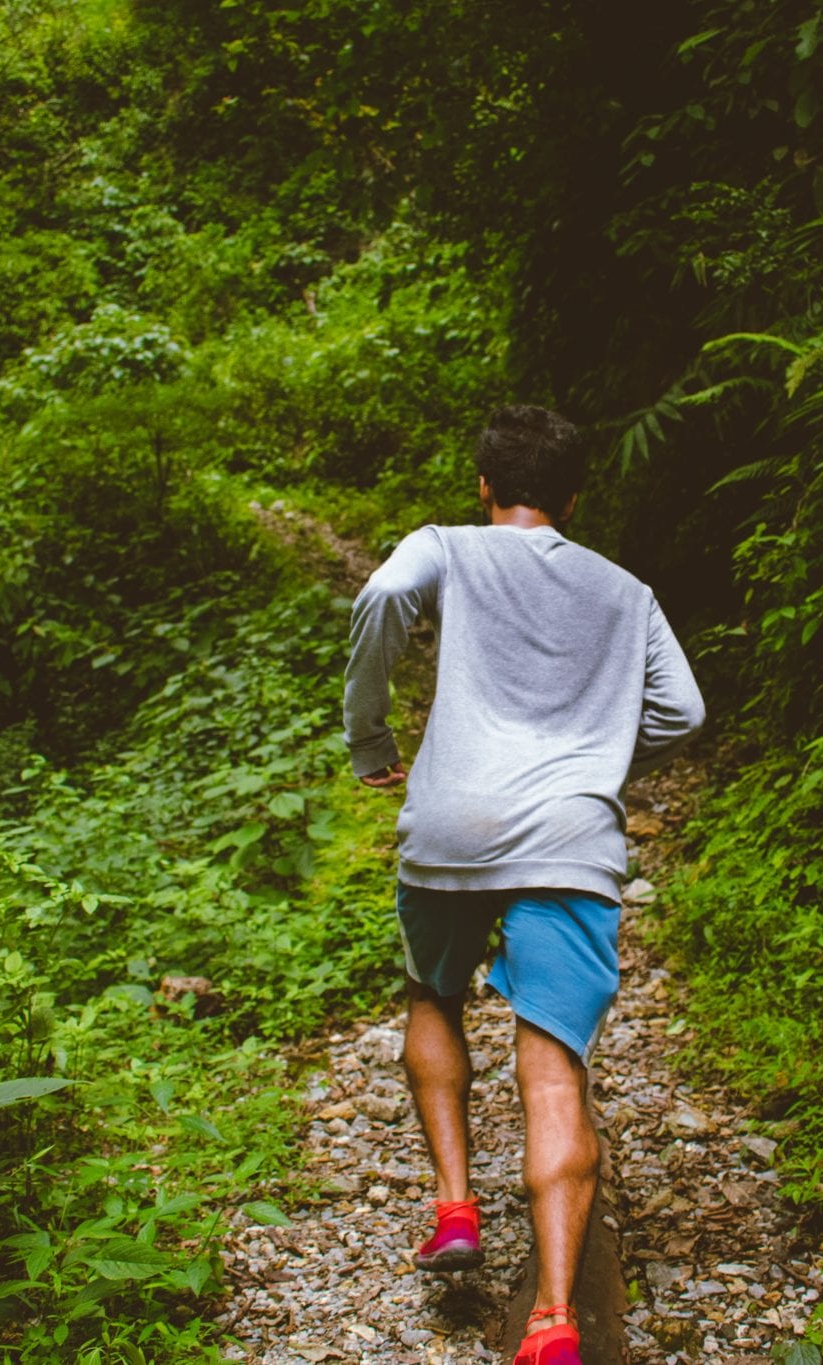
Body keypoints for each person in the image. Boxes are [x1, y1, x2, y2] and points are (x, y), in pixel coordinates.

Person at [342, 404, 705, 1365]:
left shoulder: (445, 547)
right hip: (572, 838)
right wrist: (598, 761)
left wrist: (369, 738)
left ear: (483, 484)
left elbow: (381, 597)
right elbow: (687, 710)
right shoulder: (626, 591)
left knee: (434, 992)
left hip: (452, 826)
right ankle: (551, 1320)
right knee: (553, 1073)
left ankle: (455, 1207)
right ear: (577, 494)